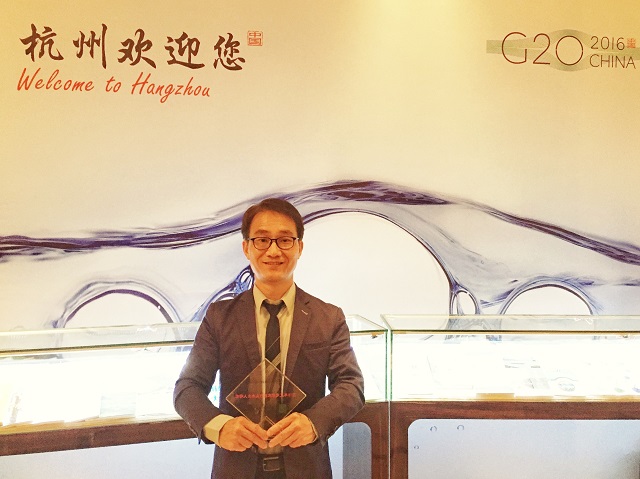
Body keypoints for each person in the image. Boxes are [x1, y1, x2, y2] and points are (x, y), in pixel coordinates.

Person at [174, 198, 365, 479]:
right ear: (247, 248)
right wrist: (219, 426)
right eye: (262, 240)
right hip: (235, 468)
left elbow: (351, 386)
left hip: (307, 467)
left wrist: (313, 422)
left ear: (299, 247)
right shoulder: (219, 316)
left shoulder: (328, 317)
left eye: (285, 240)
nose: (273, 250)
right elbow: (187, 387)